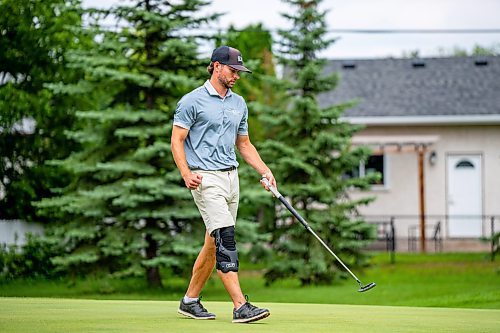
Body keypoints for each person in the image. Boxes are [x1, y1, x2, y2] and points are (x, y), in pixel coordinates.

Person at [171, 45, 277, 324]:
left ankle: (190, 300)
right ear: (216, 66)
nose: (237, 76)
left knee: (212, 241)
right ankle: (240, 306)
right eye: (233, 70)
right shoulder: (191, 101)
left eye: (239, 72)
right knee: (225, 238)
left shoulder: (238, 103)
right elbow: (177, 141)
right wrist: (185, 173)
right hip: (205, 177)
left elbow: (244, 144)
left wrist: (265, 171)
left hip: (232, 177)